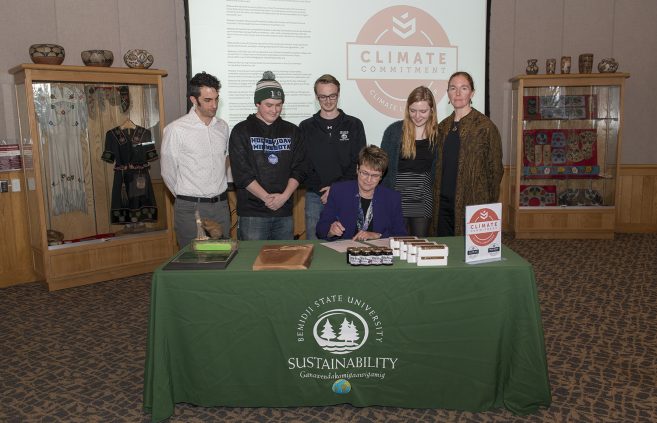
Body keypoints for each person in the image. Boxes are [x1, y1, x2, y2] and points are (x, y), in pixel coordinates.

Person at [229, 71, 306, 240]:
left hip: (284, 211)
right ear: (257, 103)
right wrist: (267, 198)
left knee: (284, 262)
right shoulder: (241, 131)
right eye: (269, 105)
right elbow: (242, 174)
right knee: (251, 263)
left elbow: (300, 168)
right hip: (252, 213)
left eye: (279, 105)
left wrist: (284, 197)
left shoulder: (293, 131)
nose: (274, 110)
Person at [161, 72, 231, 249]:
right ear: (194, 99)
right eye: (208, 100)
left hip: (221, 205)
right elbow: (168, 173)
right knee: (193, 261)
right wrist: (188, 198)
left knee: (223, 257)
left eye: (216, 99)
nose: (214, 105)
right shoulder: (176, 129)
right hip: (191, 208)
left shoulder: (222, 127)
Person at [431, 71, 503, 236]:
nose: (457, 93)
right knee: (445, 251)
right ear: (447, 93)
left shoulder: (485, 127)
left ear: (472, 93)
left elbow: (496, 170)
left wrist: (486, 204)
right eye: (453, 88)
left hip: (473, 206)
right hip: (442, 204)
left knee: (468, 257)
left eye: (463, 88)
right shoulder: (442, 127)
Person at [300, 74, 367, 240]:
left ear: (339, 94)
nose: (328, 101)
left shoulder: (354, 124)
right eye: (323, 96)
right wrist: (323, 190)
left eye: (332, 96)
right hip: (316, 196)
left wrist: (335, 189)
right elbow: (304, 164)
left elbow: (358, 162)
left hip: (347, 194)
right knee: (315, 245)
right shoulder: (305, 127)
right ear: (316, 97)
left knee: (346, 245)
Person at [381, 86, 439, 237]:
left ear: (432, 110)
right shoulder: (393, 131)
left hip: (423, 199)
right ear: (407, 109)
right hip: (396, 198)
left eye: (423, 111)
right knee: (396, 246)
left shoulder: (439, 135)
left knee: (419, 244)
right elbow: (383, 170)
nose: (417, 116)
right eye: (413, 111)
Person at [316, 145, 406, 241]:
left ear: (381, 176)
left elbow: (401, 235)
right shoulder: (338, 191)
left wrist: (378, 236)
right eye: (365, 173)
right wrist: (330, 230)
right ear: (357, 169)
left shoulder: (392, 198)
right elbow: (320, 230)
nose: (368, 179)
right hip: (344, 252)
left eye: (375, 175)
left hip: (377, 253)